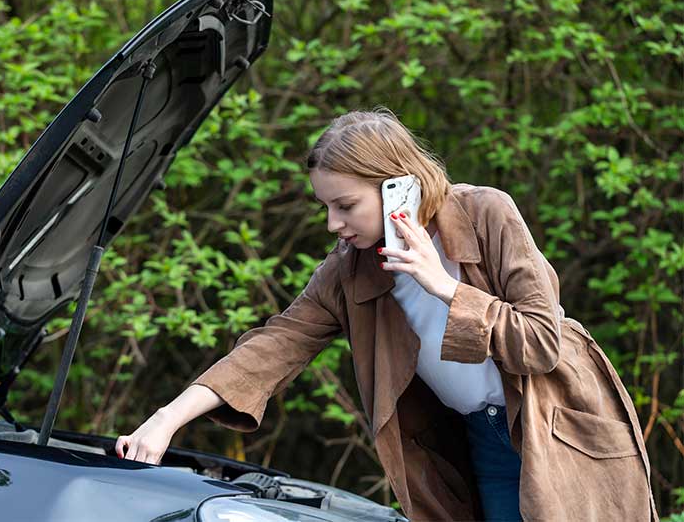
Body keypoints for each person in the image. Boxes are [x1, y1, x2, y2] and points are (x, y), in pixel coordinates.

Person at [115, 109, 656, 521]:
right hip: (479, 443)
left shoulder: (488, 212)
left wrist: (443, 287)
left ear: (399, 184)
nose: (332, 223)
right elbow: (272, 346)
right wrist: (166, 418)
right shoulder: (349, 270)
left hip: (561, 433)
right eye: (324, 207)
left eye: (345, 205)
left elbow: (541, 343)